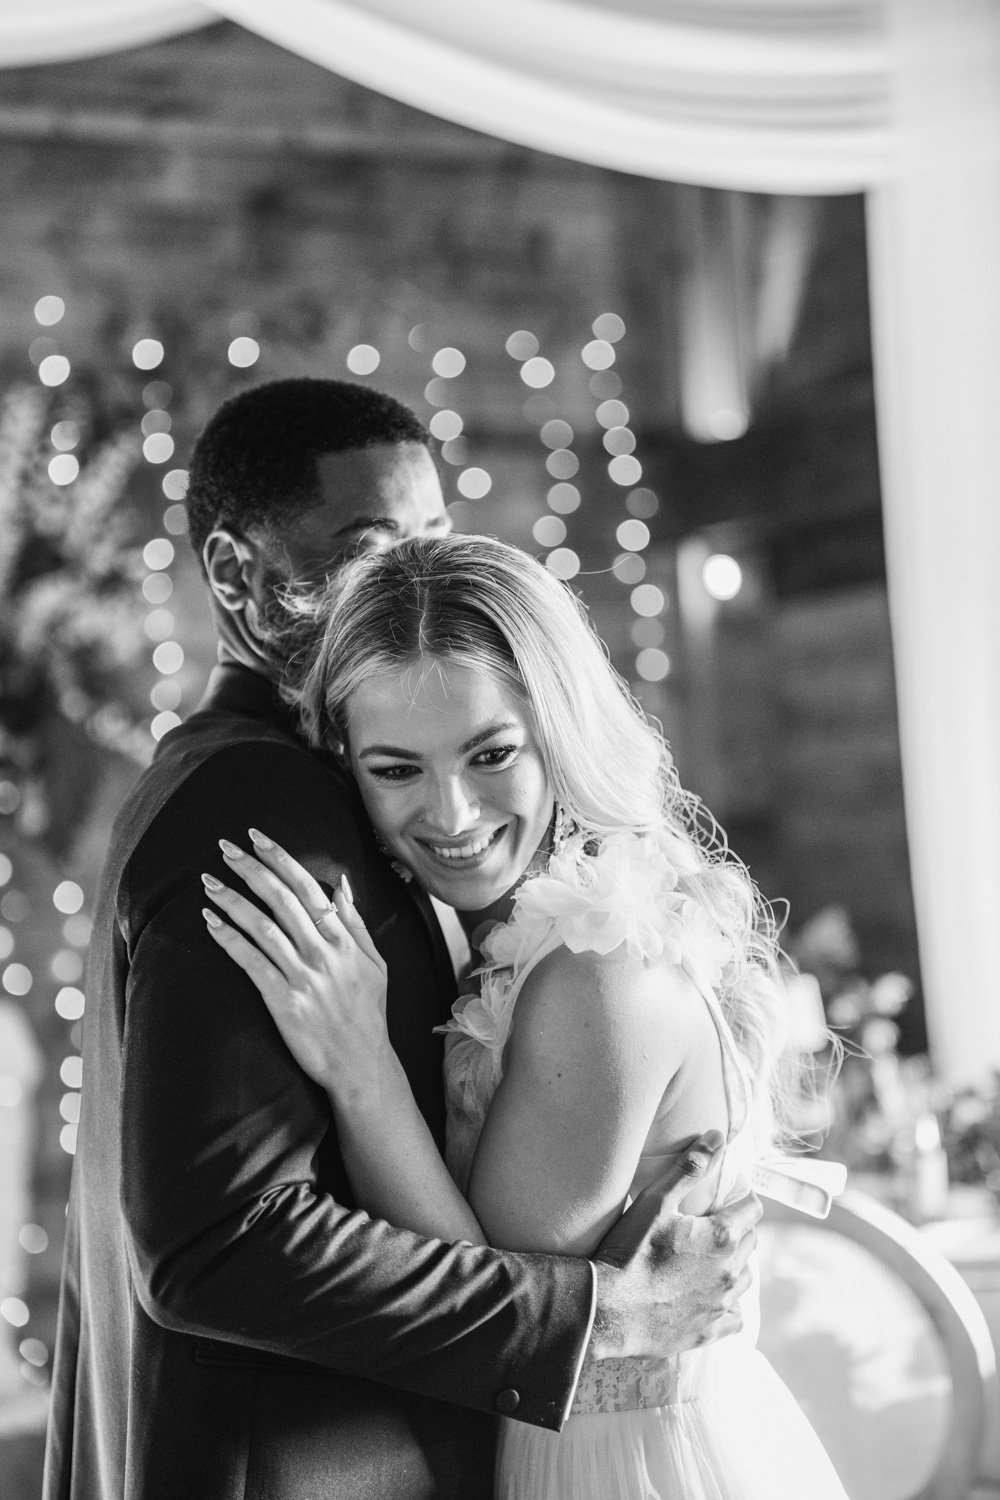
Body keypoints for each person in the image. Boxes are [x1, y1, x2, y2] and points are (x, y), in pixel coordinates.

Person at [43, 379, 760, 1500]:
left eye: (432, 541)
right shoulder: (260, 799)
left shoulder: (284, 785)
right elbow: (219, 1245)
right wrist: (587, 1318)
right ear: (235, 575)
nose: (405, 585)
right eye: (370, 552)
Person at [202, 531, 850, 1500]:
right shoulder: (523, 939)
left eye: (491, 753)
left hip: (627, 1467)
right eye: (396, 770)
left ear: (564, 728)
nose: (452, 815)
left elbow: (491, 1310)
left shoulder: (597, 968)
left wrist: (360, 1067)